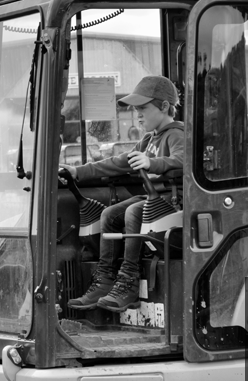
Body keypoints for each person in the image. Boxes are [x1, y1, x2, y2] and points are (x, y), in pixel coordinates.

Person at [60, 75, 184, 313]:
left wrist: (152, 163)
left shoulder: (176, 134)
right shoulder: (149, 139)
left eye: (143, 108)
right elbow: (119, 162)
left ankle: (128, 281)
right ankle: (105, 279)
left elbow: (182, 160)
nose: (138, 114)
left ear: (165, 106)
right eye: (136, 109)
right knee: (108, 214)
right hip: (152, 198)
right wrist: (79, 172)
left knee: (133, 211)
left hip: (171, 202)